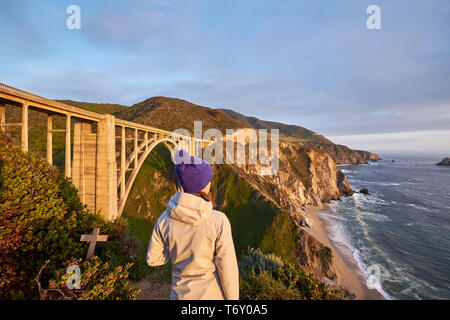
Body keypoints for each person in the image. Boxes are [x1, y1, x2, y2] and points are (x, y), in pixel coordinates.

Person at [146, 149, 239, 300]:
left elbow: (153, 259)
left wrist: (175, 251)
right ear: (202, 185)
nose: (210, 182)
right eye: (208, 180)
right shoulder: (219, 220)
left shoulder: (163, 220)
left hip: (179, 295)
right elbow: (227, 269)